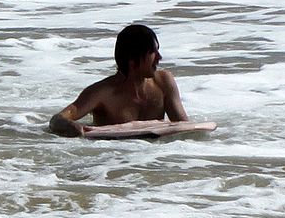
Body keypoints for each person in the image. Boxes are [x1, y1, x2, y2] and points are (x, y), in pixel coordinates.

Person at [48, 24, 189, 137]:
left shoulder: (164, 82)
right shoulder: (102, 93)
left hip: (154, 161)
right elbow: (57, 120)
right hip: (115, 160)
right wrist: (74, 128)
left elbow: (185, 127)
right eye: (153, 52)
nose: (159, 57)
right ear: (132, 60)